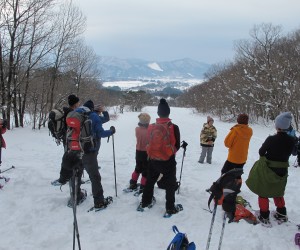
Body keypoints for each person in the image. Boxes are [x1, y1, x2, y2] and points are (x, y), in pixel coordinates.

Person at [246, 111, 295, 225]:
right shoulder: (291, 140)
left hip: (269, 169)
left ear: (277, 126)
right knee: (278, 192)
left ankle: (264, 216)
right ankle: (281, 214)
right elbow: (292, 153)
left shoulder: (271, 139)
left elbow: (261, 152)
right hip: (282, 170)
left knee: (263, 192)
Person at [139, 98, 181, 214]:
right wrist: (168, 152)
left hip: (153, 160)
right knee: (170, 184)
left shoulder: (151, 126)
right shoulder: (174, 127)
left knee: (150, 181)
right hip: (168, 160)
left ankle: (145, 202)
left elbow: (148, 142)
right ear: (168, 113)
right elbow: (177, 145)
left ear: (158, 113)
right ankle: (170, 208)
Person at [72, 100, 115, 209]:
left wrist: (103, 112)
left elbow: (105, 119)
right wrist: (111, 132)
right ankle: (99, 202)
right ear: (93, 109)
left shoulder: (76, 114)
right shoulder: (94, 117)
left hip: (76, 149)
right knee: (95, 176)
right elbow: (101, 133)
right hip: (89, 151)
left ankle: (76, 197)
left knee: (77, 174)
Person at [51, 94, 80, 186]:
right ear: (75, 104)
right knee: (69, 158)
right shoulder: (71, 113)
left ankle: (69, 177)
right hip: (70, 140)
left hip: (66, 138)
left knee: (68, 158)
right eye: (77, 103)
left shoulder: (65, 111)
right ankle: (64, 178)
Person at [221, 113, 253, 178]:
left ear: (238, 120)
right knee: (237, 176)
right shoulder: (250, 131)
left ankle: (223, 187)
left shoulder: (235, 130)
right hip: (243, 158)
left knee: (225, 174)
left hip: (233, 158)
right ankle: (235, 187)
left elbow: (227, 143)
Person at [126, 113, 151, 194]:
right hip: (146, 152)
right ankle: (143, 187)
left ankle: (133, 183)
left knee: (137, 168)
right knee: (145, 170)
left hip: (138, 151)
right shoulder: (149, 130)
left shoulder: (137, 129)